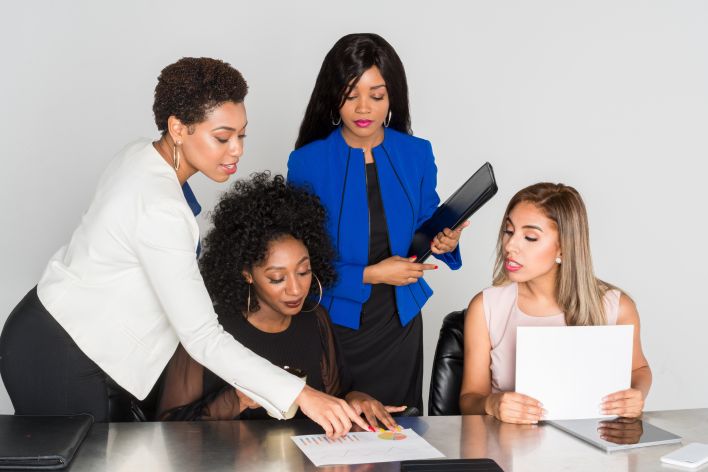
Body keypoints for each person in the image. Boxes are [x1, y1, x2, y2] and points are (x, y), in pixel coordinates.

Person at [0, 57, 368, 437]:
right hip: (59, 348)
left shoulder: (142, 155)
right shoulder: (160, 207)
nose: (237, 150)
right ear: (177, 128)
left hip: (54, 329)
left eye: (242, 135)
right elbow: (203, 339)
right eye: (222, 137)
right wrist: (303, 396)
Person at [287, 33, 468, 412]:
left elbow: (425, 221)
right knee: (338, 439)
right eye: (351, 95)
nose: (363, 108)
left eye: (377, 95)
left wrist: (444, 241)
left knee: (400, 437)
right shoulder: (308, 162)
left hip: (399, 324)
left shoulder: (417, 153)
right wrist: (371, 274)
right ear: (334, 97)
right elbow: (300, 261)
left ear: (392, 99)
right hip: (336, 324)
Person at [157, 173, 405, 430]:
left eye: (303, 271)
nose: (296, 289)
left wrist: (357, 399)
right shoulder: (207, 329)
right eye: (277, 278)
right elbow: (168, 426)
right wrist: (237, 400)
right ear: (247, 274)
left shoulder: (315, 319)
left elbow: (336, 395)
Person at [459, 183, 652, 423]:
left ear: (563, 248)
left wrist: (636, 395)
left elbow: (639, 370)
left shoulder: (617, 307)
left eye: (530, 237)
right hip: (510, 448)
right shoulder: (486, 306)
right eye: (509, 231)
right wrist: (491, 403)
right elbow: (469, 399)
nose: (510, 246)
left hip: (594, 447)